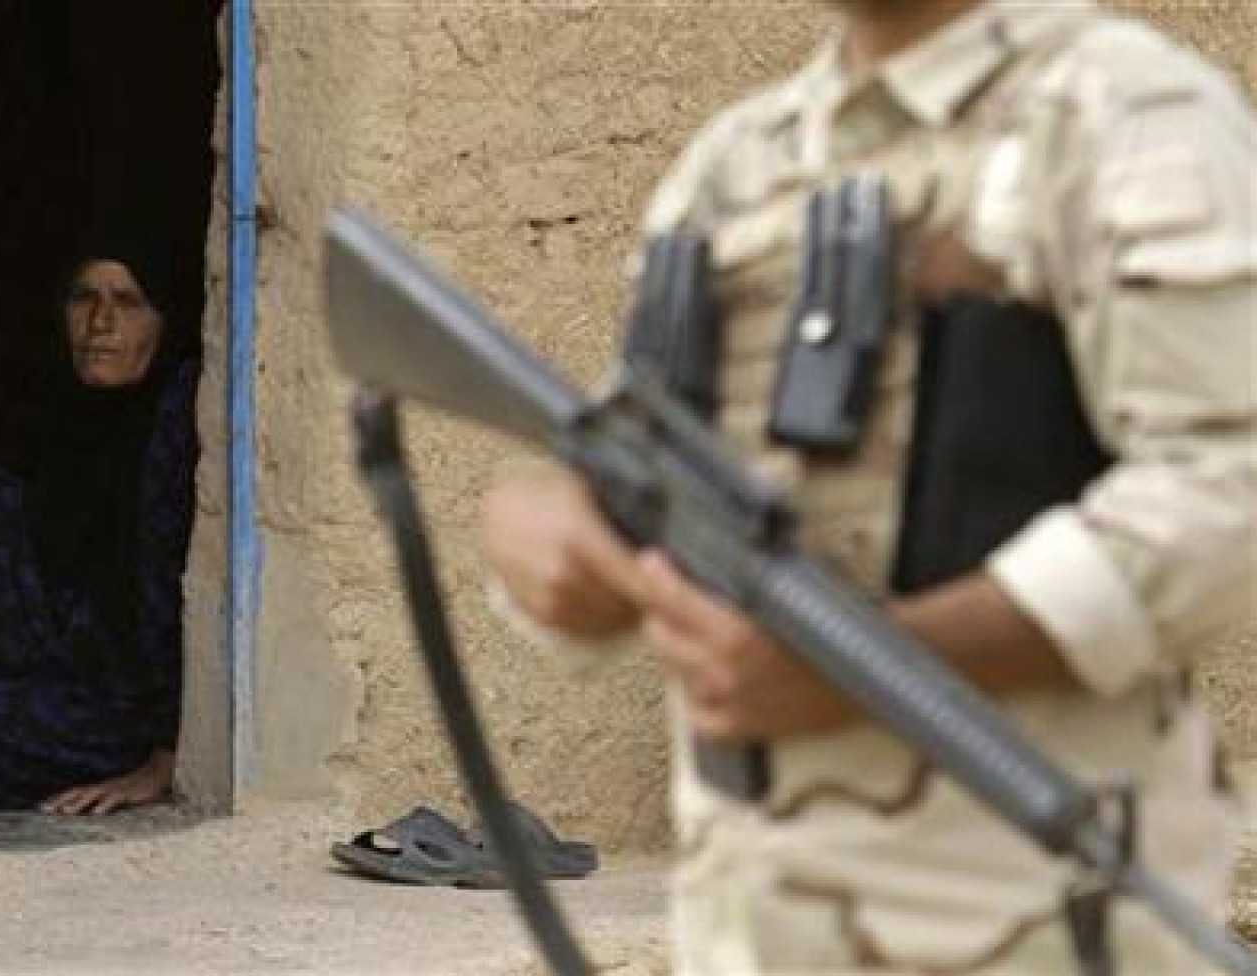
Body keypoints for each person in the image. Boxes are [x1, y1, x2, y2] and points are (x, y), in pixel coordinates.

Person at [480, 1, 1255, 973]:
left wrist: (873, 670)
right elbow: (635, 478)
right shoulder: (738, 162)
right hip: (747, 923)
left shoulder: (1128, 115)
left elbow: (1221, 496)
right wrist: (554, 533)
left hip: (1034, 924)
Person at [0, 246, 199, 816]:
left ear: (167, 321)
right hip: (32, 697)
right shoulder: (39, 430)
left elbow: (174, 600)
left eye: (129, 302)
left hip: (135, 716)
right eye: (83, 297)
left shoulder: (178, 432)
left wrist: (166, 761)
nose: (101, 323)